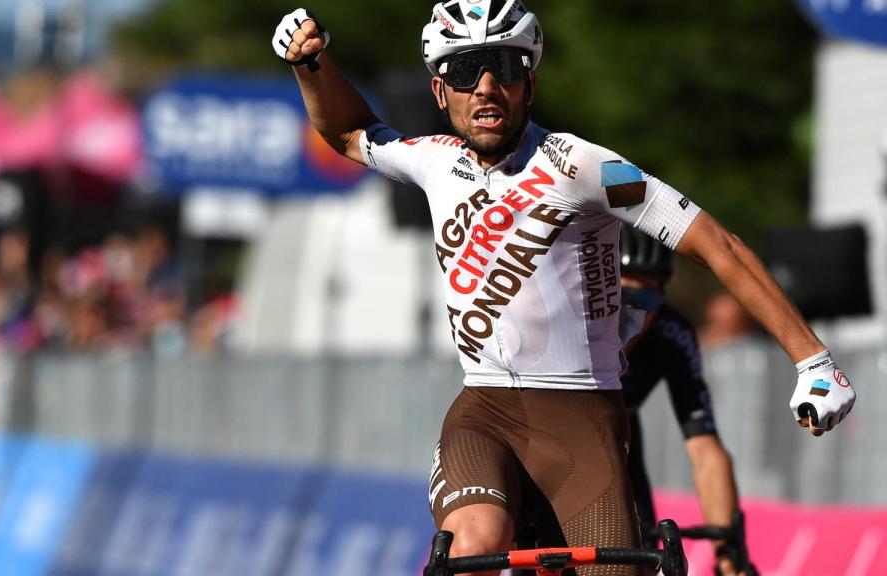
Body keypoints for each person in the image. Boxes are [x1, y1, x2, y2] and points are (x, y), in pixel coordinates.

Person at [272, 2, 857, 574]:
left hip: (583, 420)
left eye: (502, 68)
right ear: (438, 91)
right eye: (462, 71)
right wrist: (310, 67)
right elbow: (347, 130)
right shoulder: (433, 162)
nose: (484, 88)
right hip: (484, 413)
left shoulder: (581, 166)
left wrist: (812, 358)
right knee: (472, 550)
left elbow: (712, 243)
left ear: (529, 81)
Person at [618, 224, 753, 576]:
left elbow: (705, 449)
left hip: (619, 435)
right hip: (550, 430)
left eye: (645, 300)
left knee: (642, 556)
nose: (631, 314)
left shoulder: (671, 333)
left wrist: (728, 552)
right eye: (621, 298)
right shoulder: (567, 317)